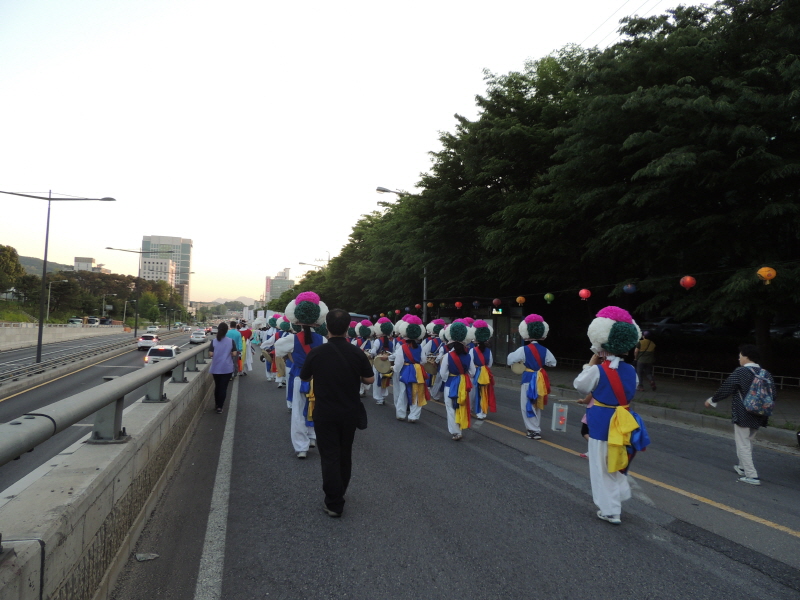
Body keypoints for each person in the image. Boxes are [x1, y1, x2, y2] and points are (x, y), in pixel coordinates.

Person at [574, 306, 648, 525]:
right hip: (623, 421)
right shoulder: (631, 371)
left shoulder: (598, 370)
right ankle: (619, 492)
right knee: (616, 460)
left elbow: (580, 385)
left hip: (601, 422)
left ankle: (610, 510)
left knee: (601, 466)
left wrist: (591, 363)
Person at [300, 308, 374, 518]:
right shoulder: (357, 352)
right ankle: (340, 490)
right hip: (349, 412)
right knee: (344, 453)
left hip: (325, 412)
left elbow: (305, 377)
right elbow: (369, 379)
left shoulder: (317, 352)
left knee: (329, 456)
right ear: (348, 327)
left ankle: (334, 501)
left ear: (327, 327)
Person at [705, 344, 774, 486]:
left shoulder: (741, 372)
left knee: (743, 444)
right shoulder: (765, 373)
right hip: (760, 413)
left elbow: (726, 388)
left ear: (747, 357)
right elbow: (773, 394)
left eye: (740, 356)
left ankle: (751, 475)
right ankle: (742, 467)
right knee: (749, 441)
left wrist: (712, 400)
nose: (739, 358)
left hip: (743, 412)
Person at [275, 292, 328, 458]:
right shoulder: (323, 339)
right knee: (315, 407)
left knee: (298, 412)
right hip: (318, 379)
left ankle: (301, 447)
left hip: (299, 376)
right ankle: (312, 436)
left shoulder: (292, 339)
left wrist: (292, 356)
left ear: (296, 318)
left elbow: (278, 350)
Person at [506, 314, 556, 440]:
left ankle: (533, 430)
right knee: (537, 404)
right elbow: (553, 363)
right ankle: (535, 427)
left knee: (526, 404)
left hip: (528, 378)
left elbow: (509, 360)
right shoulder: (545, 350)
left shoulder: (523, 349)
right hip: (540, 379)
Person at [439, 321, 475, 440]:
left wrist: (448, 378)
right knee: (461, 406)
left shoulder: (448, 356)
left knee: (450, 408)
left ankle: (456, 432)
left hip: (450, 383)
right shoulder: (468, 356)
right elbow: (472, 372)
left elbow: (443, 373)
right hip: (463, 384)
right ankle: (460, 428)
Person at [392, 315, 429, 423]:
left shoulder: (402, 347)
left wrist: (395, 369)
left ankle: (401, 414)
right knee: (417, 393)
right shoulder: (420, 347)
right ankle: (413, 416)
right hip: (418, 371)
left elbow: (399, 362)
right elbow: (423, 360)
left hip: (405, 370)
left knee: (403, 393)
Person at [209, 322, 238, 414]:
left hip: (216, 367)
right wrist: (228, 353)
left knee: (217, 386)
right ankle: (220, 407)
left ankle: (217, 404)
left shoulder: (214, 341)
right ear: (226, 331)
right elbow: (234, 353)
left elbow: (211, 354)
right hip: (227, 368)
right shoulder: (231, 341)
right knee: (223, 387)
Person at [470, 320, 496, 420]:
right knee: (484, 393)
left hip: (475, 374)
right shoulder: (488, 351)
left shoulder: (472, 350)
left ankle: (473, 410)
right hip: (485, 373)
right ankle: (482, 412)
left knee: (473, 394)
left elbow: (470, 364)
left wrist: (472, 373)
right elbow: (490, 364)